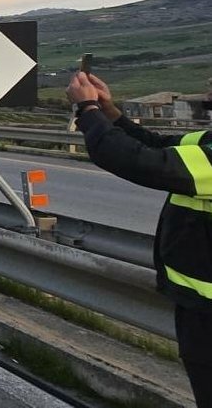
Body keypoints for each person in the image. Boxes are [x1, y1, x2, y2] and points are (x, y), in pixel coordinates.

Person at [67, 71, 212, 405]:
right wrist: (109, 112)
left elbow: (138, 161)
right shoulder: (205, 143)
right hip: (200, 308)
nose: (207, 84)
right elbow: (157, 145)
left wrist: (87, 109)